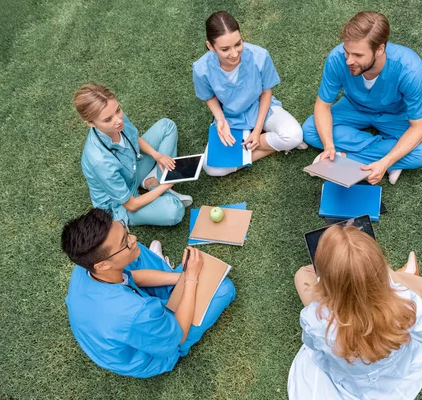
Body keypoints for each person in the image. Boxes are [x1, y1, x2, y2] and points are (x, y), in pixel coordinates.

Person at [288, 225, 422, 399]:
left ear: (326, 281)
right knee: (391, 286)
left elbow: (312, 347)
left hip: (351, 383)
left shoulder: (314, 319)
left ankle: (398, 276)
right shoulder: (406, 302)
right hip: (398, 371)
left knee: (302, 275)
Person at [62, 208, 236, 378]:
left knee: (136, 253)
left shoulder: (85, 268)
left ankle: (173, 290)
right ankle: (174, 295)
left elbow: (131, 277)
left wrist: (181, 277)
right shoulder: (136, 313)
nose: (133, 238)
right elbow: (178, 335)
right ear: (102, 265)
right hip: (150, 355)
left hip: (119, 322)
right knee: (224, 289)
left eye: (126, 231)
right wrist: (191, 279)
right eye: (125, 241)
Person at [303, 11, 422, 185]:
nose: (349, 60)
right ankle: (391, 153)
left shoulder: (410, 70)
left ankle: (351, 157)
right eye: (346, 51)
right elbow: (322, 106)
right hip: (354, 107)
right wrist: (329, 146)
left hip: (394, 115)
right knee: (310, 130)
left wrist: (385, 162)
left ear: (380, 49)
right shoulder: (337, 58)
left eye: (358, 55)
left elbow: (420, 126)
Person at [192, 11, 306, 177]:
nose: (234, 54)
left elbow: (266, 92)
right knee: (212, 168)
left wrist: (258, 129)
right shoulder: (201, 69)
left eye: (238, 44)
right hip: (230, 116)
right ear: (210, 46)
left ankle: (252, 148)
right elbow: (209, 97)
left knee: (294, 135)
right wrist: (220, 119)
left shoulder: (260, 56)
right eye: (225, 49)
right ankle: (274, 145)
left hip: (261, 107)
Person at [74, 83, 192, 227]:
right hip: (122, 204)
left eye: (118, 110)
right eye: (108, 119)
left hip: (134, 167)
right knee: (174, 211)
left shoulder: (117, 119)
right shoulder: (99, 161)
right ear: (90, 123)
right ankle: (154, 184)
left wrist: (157, 155)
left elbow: (133, 138)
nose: (118, 120)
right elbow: (131, 205)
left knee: (167, 126)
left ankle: (155, 181)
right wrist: (164, 187)